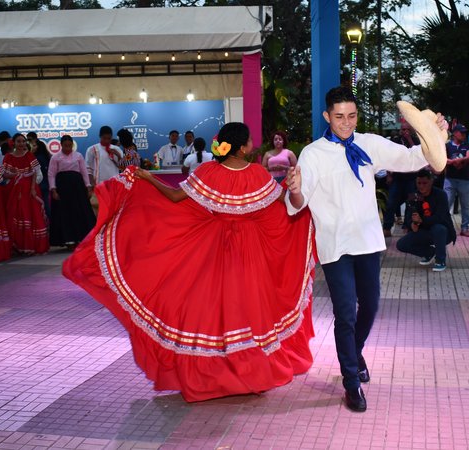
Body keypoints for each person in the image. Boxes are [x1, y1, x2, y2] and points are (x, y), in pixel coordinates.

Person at [63, 122, 315, 403]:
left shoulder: (208, 172)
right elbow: (286, 204)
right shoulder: (257, 173)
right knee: (247, 308)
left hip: (213, 249)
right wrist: (295, 190)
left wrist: (147, 177)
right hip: (250, 252)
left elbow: (173, 196)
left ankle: (215, 371)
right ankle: (249, 371)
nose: (253, 145)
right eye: (250, 141)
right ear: (242, 147)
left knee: (214, 310)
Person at [285, 86, 448, 412]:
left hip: (367, 242)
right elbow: (297, 203)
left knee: (370, 306)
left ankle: (354, 351)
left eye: (352, 116)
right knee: (345, 313)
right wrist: (295, 190)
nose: (346, 123)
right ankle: (351, 382)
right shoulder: (313, 154)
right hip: (334, 246)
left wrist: (434, 135)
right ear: (327, 116)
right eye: (339, 117)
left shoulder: (369, 143)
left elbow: (414, 158)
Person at [396, 170, 456, 271]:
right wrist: (412, 224)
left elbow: (440, 218)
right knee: (401, 244)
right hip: (423, 231)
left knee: (439, 228)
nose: (421, 186)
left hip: (442, 232)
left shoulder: (440, 195)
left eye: (424, 183)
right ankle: (428, 253)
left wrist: (421, 220)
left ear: (431, 182)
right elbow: (409, 216)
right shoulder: (414, 196)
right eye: (419, 183)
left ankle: (440, 259)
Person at [4, 133, 50, 255]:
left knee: (32, 215)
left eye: (23, 141)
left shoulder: (29, 155)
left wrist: (33, 188)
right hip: (14, 190)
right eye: (19, 141)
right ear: (13, 143)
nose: (21, 144)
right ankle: (18, 245)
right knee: (17, 215)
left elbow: (35, 172)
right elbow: (3, 174)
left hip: (29, 190)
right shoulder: (8, 157)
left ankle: (32, 245)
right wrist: (14, 175)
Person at [48, 135, 95, 248]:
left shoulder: (78, 156)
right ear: (61, 145)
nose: (68, 148)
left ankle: (81, 238)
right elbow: (51, 174)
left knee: (79, 212)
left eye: (70, 146)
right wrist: (53, 190)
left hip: (77, 188)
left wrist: (88, 187)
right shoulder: (55, 157)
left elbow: (84, 171)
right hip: (62, 188)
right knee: (64, 214)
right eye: (65, 146)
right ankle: (67, 240)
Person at [382, 121, 419, 237]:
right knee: (391, 202)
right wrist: (388, 175)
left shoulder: (415, 141)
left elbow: (417, 153)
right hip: (397, 177)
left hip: (411, 177)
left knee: (411, 203)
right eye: (403, 130)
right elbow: (389, 158)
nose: (405, 132)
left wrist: (409, 139)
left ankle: (408, 227)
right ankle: (387, 227)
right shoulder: (395, 141)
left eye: (407, 130)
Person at [444, 125, 469, 237]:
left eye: (464, 132)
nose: (464, 134)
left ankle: (464, 228)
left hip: (464, 180)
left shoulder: (468, 145)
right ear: (455, 133)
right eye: (461, 132)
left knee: (465, 206)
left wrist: (459, 160)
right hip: (449, 180)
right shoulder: (447, 146)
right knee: (446, 204)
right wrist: (452, 162)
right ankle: (445, 228)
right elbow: (442, 158)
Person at [85, 126, 124, 212]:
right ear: (100, 136)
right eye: (104, 138)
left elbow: (123, 167)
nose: (106, 141)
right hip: (99, 185)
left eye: (109, 138)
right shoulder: (92, 149)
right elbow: (88, 169)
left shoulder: (117, 149)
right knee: (98, 211)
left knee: (114, 211)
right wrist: (91, 184)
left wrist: (117, 154)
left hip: (114, 186)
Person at [27, 132, 52, 216]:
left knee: (43, 204)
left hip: (40, 184)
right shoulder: (44, 156)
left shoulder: (38, 158)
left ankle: (47, 223)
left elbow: (41, 172)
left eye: (34, 145)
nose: (31, 146)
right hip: (43, 183)